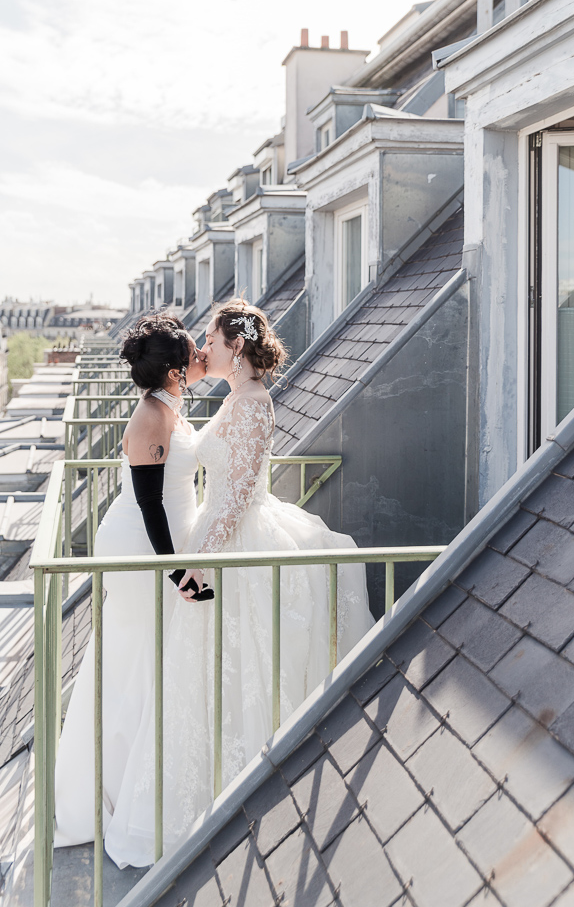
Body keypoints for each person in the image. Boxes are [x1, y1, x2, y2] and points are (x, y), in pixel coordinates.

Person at [104, 298, 375, 867]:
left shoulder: (254, 404)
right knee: (205, 669)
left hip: (236, 540)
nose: (204, 347)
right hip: (215, 534)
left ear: (237, 345)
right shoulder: (235, 396)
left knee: (244, 660)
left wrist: (197, 562)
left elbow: (234, 497)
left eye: (212, 338)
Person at [54, 314, 206, 848]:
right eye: (190, 347)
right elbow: (149, 503)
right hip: (145, 545)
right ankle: (112, 791)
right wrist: (175, 572)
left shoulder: (169, 402)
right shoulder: (150, 418)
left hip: (161, 541)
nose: (198, 350)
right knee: (135, 661)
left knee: (152, 658)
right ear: (171, 370)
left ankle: (145, 777)